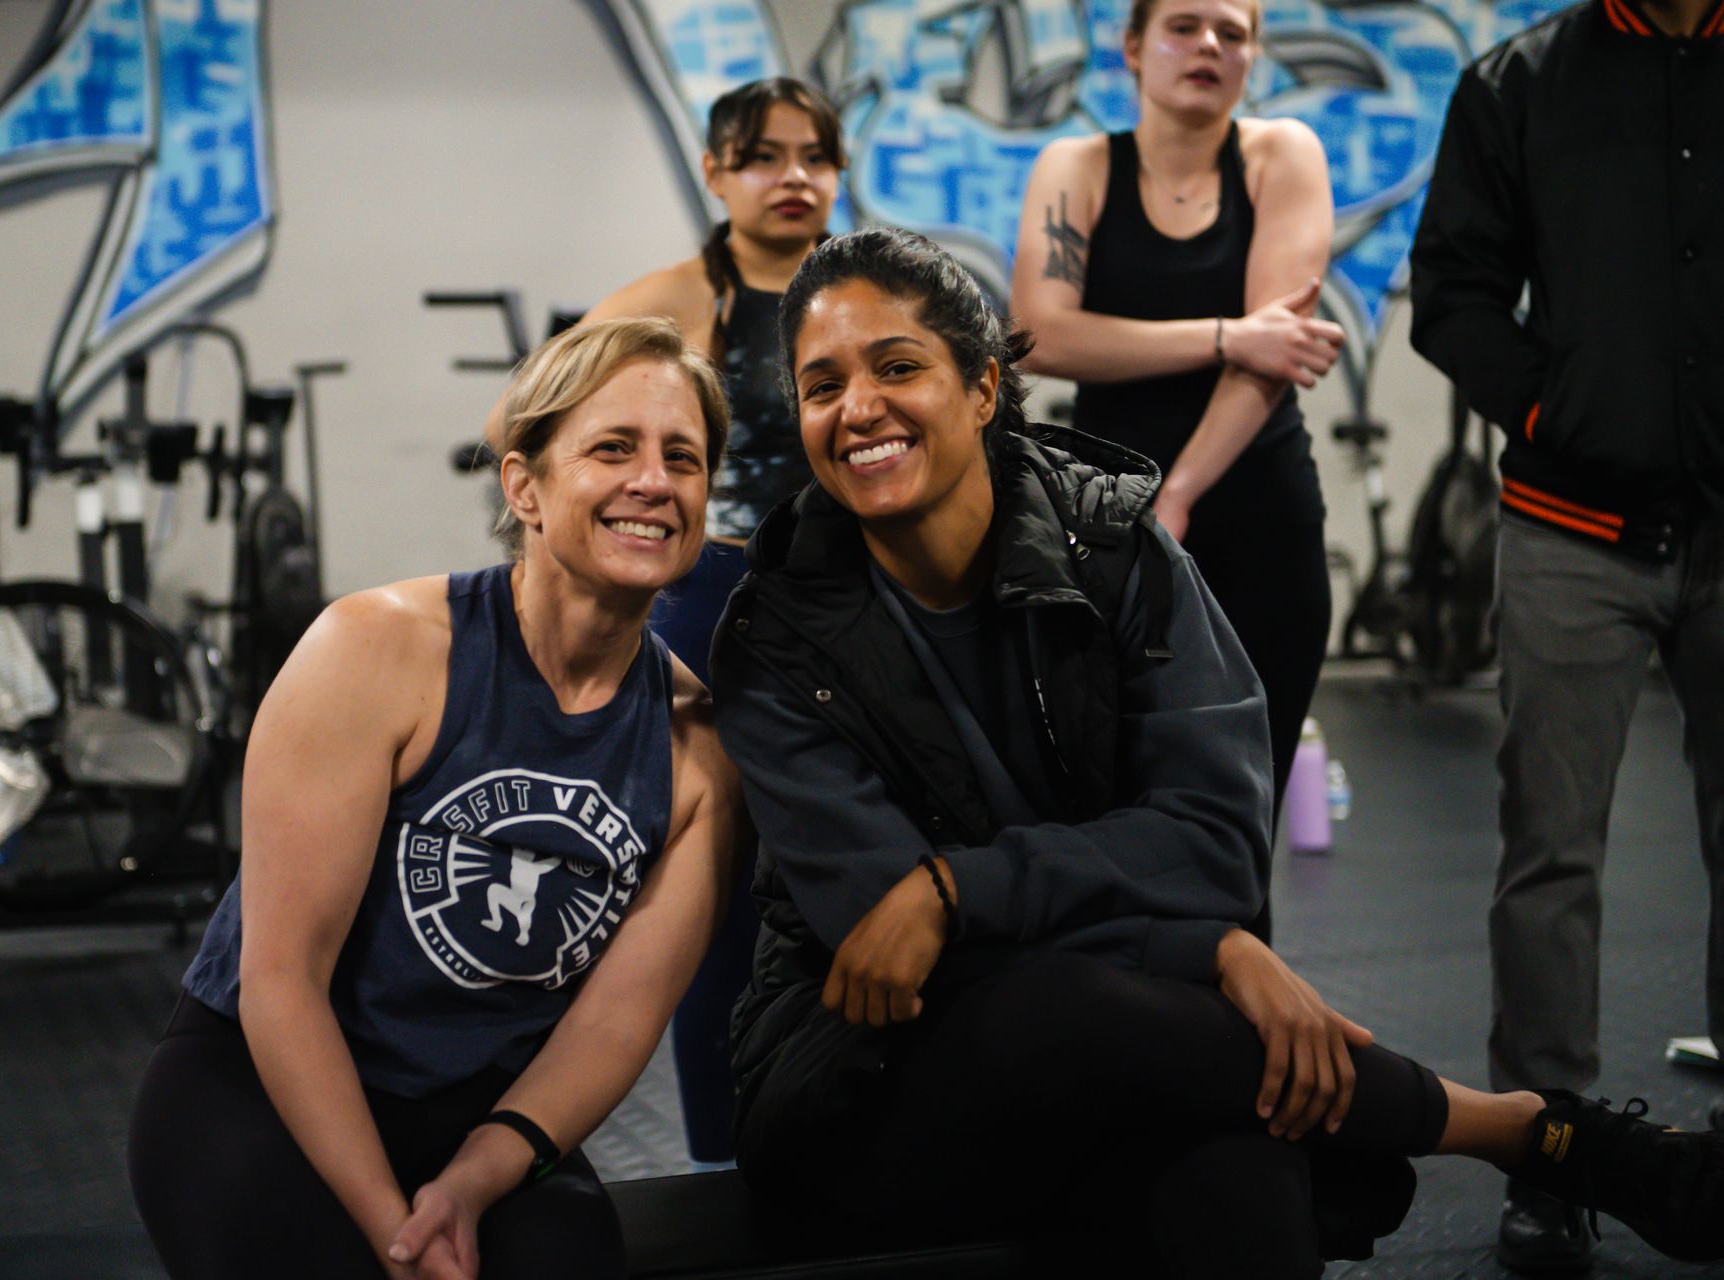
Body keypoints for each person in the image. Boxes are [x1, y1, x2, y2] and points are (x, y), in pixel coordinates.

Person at [710, 225, 1724, 1277]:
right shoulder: (777, 635)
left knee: (1242, 1171)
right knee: (1054, 1010)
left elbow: (1210, 843)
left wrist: (958, 886)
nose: (858, 408)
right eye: (821, 385)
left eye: (898, 366)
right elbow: (897, 939)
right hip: (867, 1086)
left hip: (1138, 1052)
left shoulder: (1116, 546)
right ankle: (1512, 1128)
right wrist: (1219, 952)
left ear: (981, 388)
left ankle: (1482, 1137)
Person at [129, 317, 739, 1280]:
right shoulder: (374, 651)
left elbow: (612, 1025)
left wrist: (470, 1185)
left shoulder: (698, 750)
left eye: (684, 458)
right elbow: (281, 982)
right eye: (612, 448)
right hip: (260, 1084)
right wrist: (393, 1230)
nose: (654, 482)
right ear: (525, 486)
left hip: (486, 1119)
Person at [481, 76, 847, 1165]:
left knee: (851, 870)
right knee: (720, 888)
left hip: (853, 606)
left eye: (815, 155)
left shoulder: (859, 291)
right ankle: (726, 1153)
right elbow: (516, 416)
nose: (793, 176)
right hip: (722, 605)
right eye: (763, 156)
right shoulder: (685, 298)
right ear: (716, 173)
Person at [1409, 0, 1724, 1267]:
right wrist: (1557, 408)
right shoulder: (1515, 84)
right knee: (1551, 855)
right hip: (1568, 535)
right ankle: (1553, 1154)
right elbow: (1453, 289)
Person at [1010, 0, 1344, 843]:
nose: (1209, 46)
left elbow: (1277, 359)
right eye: (1185, 25)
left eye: (1233, 33)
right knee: (1120, 800)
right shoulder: (1076, 166)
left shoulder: (1282, 154)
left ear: (1252, 56)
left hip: (1257, 509)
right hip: (1105, 523)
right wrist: (1231, 332)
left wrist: (1181, 491)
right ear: (1132, 48)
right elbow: (1042, 333)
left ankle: (1239, 969)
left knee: (1244, 811)